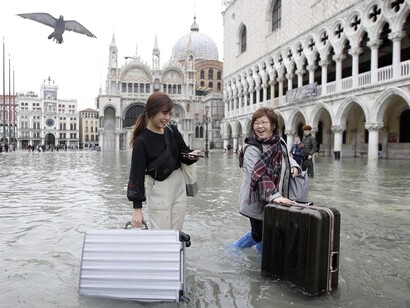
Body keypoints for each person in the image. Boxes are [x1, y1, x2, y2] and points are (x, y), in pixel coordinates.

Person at [127, 92, 202, 230]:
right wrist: (137, 210)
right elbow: (136, 176)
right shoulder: (141, 141)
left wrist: (191, 155)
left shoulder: (172, 130)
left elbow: (182, 152)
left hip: (178, 184)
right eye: (164, 113)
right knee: (161, 235)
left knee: (176, 233)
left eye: (170, 114)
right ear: (152, 112)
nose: (167, 118)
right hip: (158, 188)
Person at [235, 107, 302, 251]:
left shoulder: (279, 142)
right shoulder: (252, 147)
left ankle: (262, 259)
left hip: (276, 196)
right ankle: (235, 250)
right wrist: (274, 196)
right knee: (259, 234)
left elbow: (288, 157)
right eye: (256, 123)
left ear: (273, 125)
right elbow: (257, 174)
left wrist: (295, 166)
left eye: (264, 122)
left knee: (270, 232)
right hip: (258, 198)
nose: (260, 126)